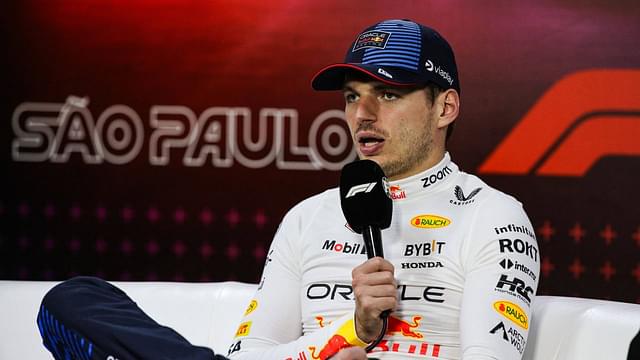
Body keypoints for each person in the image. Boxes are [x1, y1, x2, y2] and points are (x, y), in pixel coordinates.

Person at [226, 19, 539, 359]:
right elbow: (245, 356)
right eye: (351, 96)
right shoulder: (306, 218)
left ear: (444, 108)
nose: (362, 114)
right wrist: (352, 331)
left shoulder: (492, 216)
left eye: (388, 94)